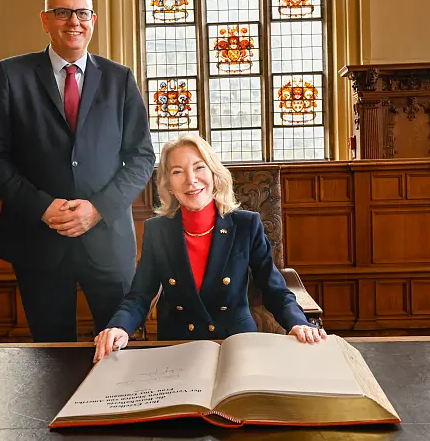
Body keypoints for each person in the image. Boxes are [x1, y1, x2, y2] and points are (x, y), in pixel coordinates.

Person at [0, 0, 155, 342]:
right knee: (51, 355)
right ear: (45, 20)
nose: (74, 21)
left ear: (93, 20)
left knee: (119, 347)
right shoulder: (12, 75)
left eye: (82, 13)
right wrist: (41, 207)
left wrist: (98, 208)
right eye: (62, 12)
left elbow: (142, 156)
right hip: (38, 239)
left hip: (106, 238)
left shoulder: (120, 79)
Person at [93, 134, 327, 363]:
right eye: (177, 171)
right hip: (179, 347)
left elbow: (273, 287)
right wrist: (119, 326)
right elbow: (140, 295)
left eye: (199, 167)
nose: (190, 179)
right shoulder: (158, 230)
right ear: (168, 185)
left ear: (215, 175)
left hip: (236, 344)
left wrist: (298, 323)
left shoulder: (246, 224)